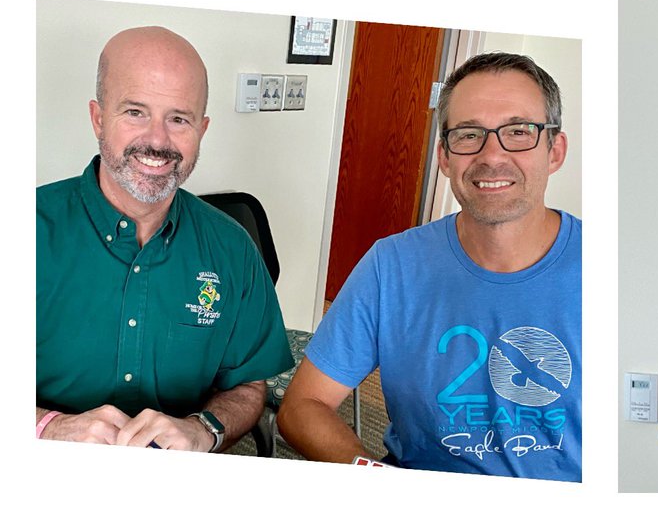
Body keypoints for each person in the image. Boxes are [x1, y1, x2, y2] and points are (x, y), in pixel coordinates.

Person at [277, 52, 581, 480]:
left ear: (555, 151)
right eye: (469, 134)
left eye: (518, 132)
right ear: (444, 156)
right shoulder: (393, 265)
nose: (492, 155)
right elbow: (303, 406)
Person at [36, 27, 293, 449]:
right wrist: (47, 427)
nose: (157, 140)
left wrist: (203, 430)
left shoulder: (233, 249)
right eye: (135, 112)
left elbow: (248, 386)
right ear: (98, 118)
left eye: (178, 119)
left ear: (202, 129)